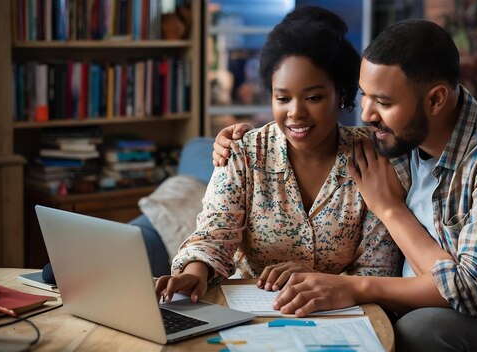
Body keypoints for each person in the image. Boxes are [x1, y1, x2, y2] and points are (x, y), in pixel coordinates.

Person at [212, 19, 477, 351]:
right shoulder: (397, 143)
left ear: (436, 100)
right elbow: (309, 139)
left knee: (421, 332)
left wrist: (389, 213)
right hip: (441, 304)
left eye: (383, 103)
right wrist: (239, 141)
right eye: (365, 96)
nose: (367, 114)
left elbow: (474, 293)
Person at [155, 6, 400, 306]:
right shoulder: (244, 153)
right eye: (282, 98)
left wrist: (318, 278)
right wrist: (195, 272)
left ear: (341, 94)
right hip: (251, 311)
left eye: (314, 98)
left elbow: (379, 270)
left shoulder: (372, 158)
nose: (295, 112)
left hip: (343, 313)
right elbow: (214, 234)